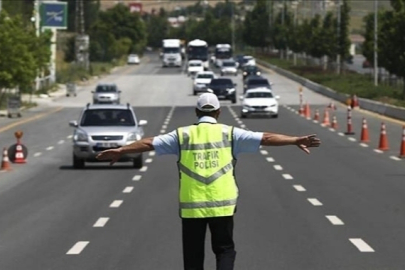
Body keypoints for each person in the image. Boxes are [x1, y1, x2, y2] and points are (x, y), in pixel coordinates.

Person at [96, 93, 321, 270]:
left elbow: (148, 143)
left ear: (196, 112)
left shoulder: (182, 135)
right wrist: (295, 140)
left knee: (193, 257)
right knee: (224, 250)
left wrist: (122, 150)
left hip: (192, 207)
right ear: (219, 112)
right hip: (222, 205)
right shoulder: (230, 133)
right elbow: (266, 138)